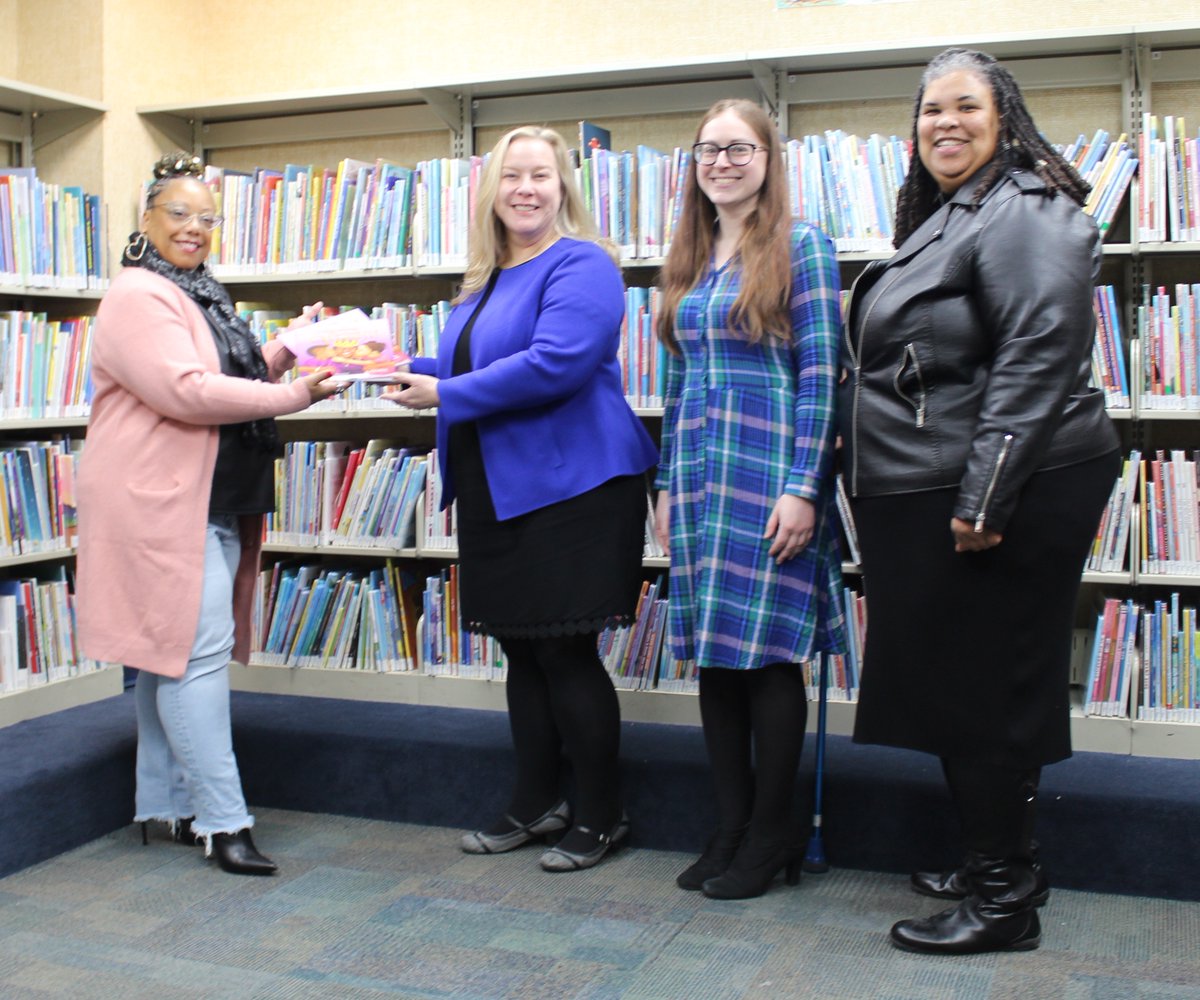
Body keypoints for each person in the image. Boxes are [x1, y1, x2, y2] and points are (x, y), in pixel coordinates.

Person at [840, 48, 1121, 954]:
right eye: (930, 111)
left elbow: (1038, 352)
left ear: (1004, 115)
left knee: (984, 688)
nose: (945, 124)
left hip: (1003, 485)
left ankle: (1002, 902)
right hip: (958, 476)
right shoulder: (964, 211)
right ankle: (1004, 863)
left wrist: (984, 498)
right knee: (974, 680)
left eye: (965, 107)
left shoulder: (1026, 208)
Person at [383, 126, 659, 872]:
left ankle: (602, 814)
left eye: (541, 174)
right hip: (500, 488)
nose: (526, 189)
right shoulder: (488, 278)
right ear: (492, 191)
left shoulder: (584, 265)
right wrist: (359, 356)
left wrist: (444, 391)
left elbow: (555, 365)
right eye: (512, 176)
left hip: (575, 486)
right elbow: (459, 362)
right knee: (523, 653)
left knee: (566, 653)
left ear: (564, 186)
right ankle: (536, 801)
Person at [76, 152, 342, 875]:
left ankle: (160, 804)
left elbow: (231, 374)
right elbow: (187, 391)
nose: (194, 228)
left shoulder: (198, 293)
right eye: (179, 214)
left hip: (213, 498)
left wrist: (288, 349)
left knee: (172, 652)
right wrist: (294, 398)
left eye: (207, 218)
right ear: (147, 220)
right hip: (160, 503)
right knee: (197, 657)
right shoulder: (138, 294)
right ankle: (225, 822)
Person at [653, 98, 847, 900]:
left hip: (769, 479)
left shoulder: (802, 247)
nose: (722, 162)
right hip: (701, 480)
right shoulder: (691, 255)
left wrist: (805, 489)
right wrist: (665, 482)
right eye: (708, 149)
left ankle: (774, 837)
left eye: (739, 148)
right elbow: (675, 377)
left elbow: (821, 375)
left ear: (768, 158)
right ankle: (730, 827)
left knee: (768, 662)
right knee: (715, 663)